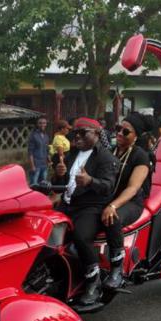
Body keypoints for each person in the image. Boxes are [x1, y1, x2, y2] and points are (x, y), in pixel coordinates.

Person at [53, 117, 117, 306]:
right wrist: (59, 174)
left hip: (91, 207)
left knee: (81, 236)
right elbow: (59, 188)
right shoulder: (71, 155)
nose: (78, 137)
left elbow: (108, 187)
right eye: (75, 133)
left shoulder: (105, 157)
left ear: (96, 134)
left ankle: (93, 281)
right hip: (68, 204)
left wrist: (90, 181)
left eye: (83, 133)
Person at [100, 113, 155, 290]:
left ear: (135, 136)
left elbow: (133, 188)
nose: (120, 133)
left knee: (112, 218)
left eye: (126, 131)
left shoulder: (141, 156)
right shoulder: (110, 151)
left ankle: (117, 269)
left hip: (132, 201)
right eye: (118, 129)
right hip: (111, 196)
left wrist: (113, 205)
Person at [27, 116, 49, 185]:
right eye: (40, 123)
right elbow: (30, 152)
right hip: (36, 165)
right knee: (34, 185)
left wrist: (48, 159)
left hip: (44, 165)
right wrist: (32, 166)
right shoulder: (33, 136)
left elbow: (46, 149)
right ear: (37, 124)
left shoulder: (46, 136)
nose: (42, 125)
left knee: (43, 184)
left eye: (44, 123)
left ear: (46, 124)